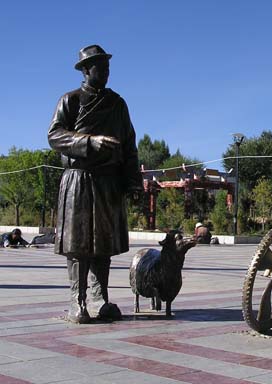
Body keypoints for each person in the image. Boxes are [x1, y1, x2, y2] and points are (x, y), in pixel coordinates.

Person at [48, 45, 142, 324]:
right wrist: (90, 142)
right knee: (77, 243)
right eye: (100, 67)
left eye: (108, 67)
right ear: (86, 70)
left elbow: (130, 146)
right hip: (78, 179)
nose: (106, 72)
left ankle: (99, 299)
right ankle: (77, 302)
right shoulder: (71, 100)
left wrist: (133, 182)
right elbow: (54, 136)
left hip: (108, 182)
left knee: (103, 242)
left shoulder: (117, 103)